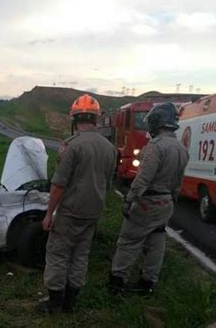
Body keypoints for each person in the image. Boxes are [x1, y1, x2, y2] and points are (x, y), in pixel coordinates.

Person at [37, 94, 117, 314]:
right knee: (81, 255)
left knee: (58, 254)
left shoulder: (71, 146)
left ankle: (54, 302)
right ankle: (71, 302)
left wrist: (48, 214)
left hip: (70, 212)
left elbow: (59, 184)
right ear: (96, 119)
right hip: (92, 213)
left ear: (74, 119)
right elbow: (108, 183)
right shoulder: (109, 148)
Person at [108, 102, 189, 294]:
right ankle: (148, 283)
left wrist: (129, 199)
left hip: (148, 203)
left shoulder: (155, 147)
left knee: (129, 240)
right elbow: (178, 182)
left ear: (157, 122)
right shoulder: (181, 149)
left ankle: (117, 281)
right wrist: (172, 200)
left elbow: (144, 178)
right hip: (166, 202)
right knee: (156, 242)